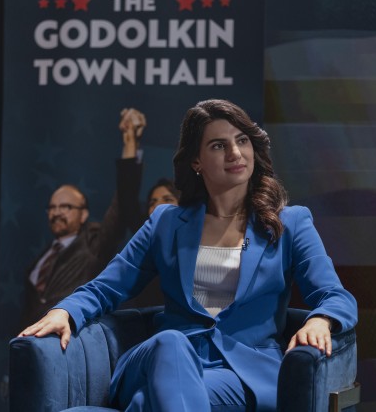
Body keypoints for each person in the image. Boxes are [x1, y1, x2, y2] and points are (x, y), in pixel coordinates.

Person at [18, 99, 358, 411]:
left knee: (144, 403)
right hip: (161, 358)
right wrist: (66, 311)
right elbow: (107, 287)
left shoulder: (290, 223)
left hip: (243, 374)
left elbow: (336, 296)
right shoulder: (166, 223)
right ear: (196, 161)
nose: (235, 153)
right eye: (218, 145)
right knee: (169, 343)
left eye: (242, 140)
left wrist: (320, 319)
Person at [19, 107, 146, 329]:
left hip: (70, 337)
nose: (57, 212)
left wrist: (130, 143)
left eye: (66, 207)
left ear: (84, 214)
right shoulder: (41, 260)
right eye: (52, 207)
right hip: (32, 340)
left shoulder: (93, 243)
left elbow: (123, 202)